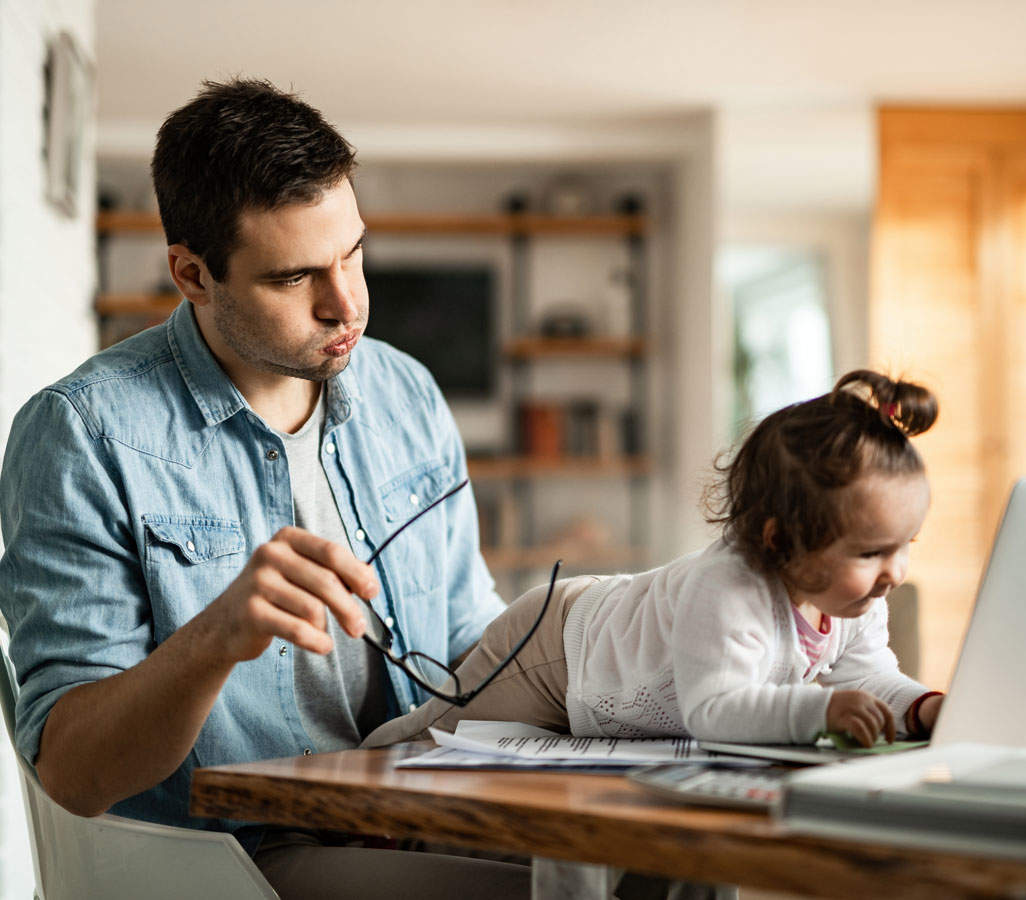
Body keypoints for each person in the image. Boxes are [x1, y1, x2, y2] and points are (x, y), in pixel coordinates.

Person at [0, 79, 530, 899]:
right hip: (227, 858)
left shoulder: (407, 393)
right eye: (293, 279)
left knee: (650, 876)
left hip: (419, 816)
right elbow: (71, 772)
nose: (345, 302)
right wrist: (212, 641)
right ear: (192, 274)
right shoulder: (83, 433)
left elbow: (468, 639)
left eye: (353, 253)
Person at [363, 370, 946, 750]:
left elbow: (869, 676)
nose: (894, 573)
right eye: (872, 553)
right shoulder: (730, 588)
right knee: (434, 737)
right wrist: (822, 710)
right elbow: (715, 709)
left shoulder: (853, 600)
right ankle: (347, 786)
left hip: (599, 688)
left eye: (906, 546)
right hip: (558, 650)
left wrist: (921, 707)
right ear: (779, 539)